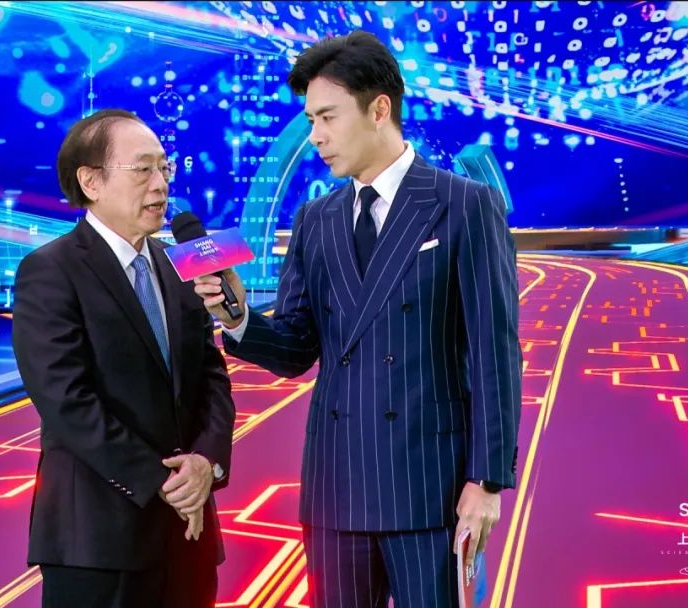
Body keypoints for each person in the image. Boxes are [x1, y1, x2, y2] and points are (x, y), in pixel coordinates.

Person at [194, 31, 522, 606]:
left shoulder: (464, 203)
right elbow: (297, 347)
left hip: (433, 486)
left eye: (327, 117)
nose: (316, 136)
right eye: (310, 120)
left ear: (378, 109)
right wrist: (237, 315)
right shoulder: (315, 219)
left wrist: (486, 480)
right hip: (336, 487)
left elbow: (494, 353)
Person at [12, 108, 235, 607]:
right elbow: (66, 401)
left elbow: (212, 378)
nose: (160, 184)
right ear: (90, 181)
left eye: (164, 168)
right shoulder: (51, 271)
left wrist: (208, 463)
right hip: (98, 543)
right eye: (143, 169)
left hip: (189, 538)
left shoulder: (182, 266)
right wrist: (164, 482)